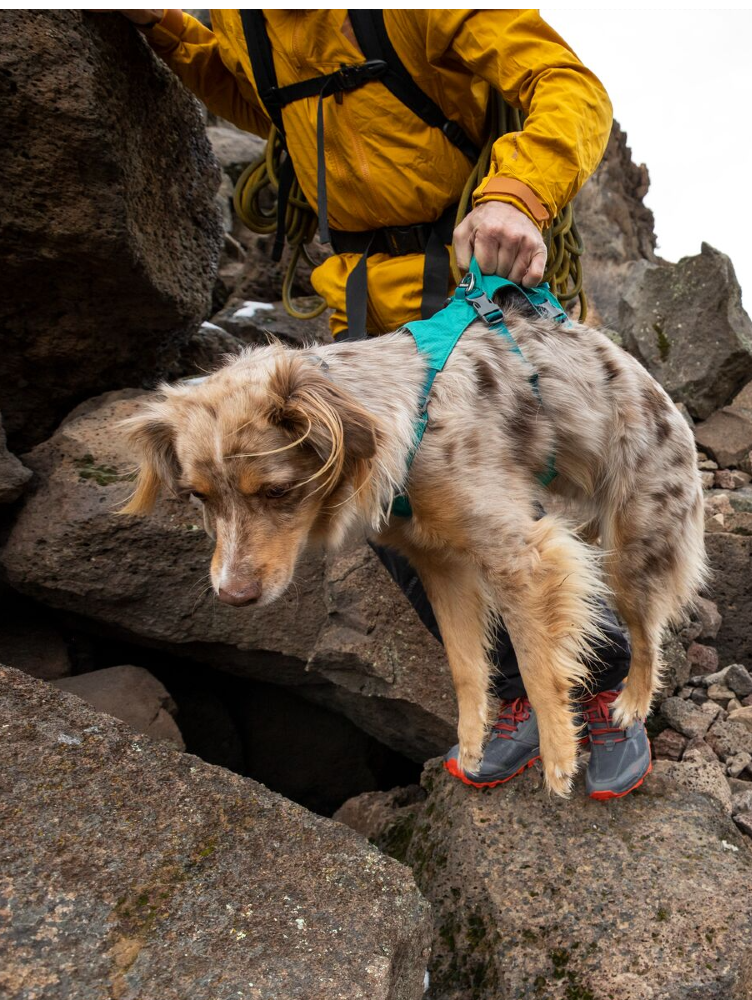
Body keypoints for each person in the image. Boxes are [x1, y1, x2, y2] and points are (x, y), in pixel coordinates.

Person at [95, 8, 651, 798]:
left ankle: (600, 693)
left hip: (468, 280)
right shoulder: (245, 19)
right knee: (387, 518)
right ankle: (517, 691)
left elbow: (568, 87)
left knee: (511, 511)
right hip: (361, 299)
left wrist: (517, 192)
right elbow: (273, 106)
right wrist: (171, 33)